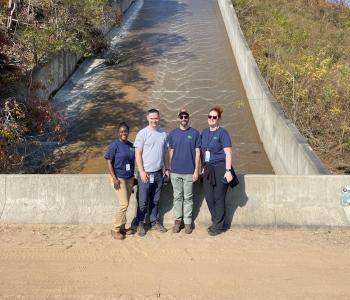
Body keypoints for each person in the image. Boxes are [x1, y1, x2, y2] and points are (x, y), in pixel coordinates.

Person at [134, 108, 169, 236]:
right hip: (146, 174)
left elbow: (166, 153)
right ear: (148, 118)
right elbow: (137, 153)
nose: (154, 120)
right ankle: (140, 223)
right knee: (142, 201)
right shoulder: (142, 133)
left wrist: (167, 169)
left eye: (156, 118)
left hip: (159, 173)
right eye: (152, 118)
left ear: (159, 118)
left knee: (155, 200)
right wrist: (141, 171)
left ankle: (154, 222)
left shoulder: (163, 134)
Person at [201, 106, 233, 236]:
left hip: (220, 167)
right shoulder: (204, 132)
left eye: (214, 117)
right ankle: (217, 221)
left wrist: (228, 170)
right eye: (210, 117)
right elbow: (202, 151)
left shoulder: (223, 133)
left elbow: (228, 153)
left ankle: (218, 225)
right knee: (209, 198)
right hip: (208, 168)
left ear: (218, 119)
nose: (212, 119)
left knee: (219, 198)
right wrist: (202, 167)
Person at [168, 109, 201, 234]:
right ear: (178, 118)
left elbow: (198, 152)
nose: (183, 119)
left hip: (189, 172)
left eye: (185, 117)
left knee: (188, 198)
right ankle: (178, 221)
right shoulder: (172, 134)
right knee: (177, 197)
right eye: (181, 117)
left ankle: (187, 222)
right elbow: (170, 152)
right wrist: (168, 168)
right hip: (175, 171)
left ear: (188, 118)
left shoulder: (195, 133)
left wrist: (196, 171)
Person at [105, 122, 135, 240]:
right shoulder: (114, 145)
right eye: (121, 131)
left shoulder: (131, 146)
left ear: (128, 132)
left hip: (129, 178)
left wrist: (133, 178)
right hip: (119, 178)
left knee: (125, 204)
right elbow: (108, 161)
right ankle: (115, 229)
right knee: (124, 204)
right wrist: (114, 178)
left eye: (125, 131)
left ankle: (122, 227)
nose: (124, 133)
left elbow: (133, 161)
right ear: (119, 133)